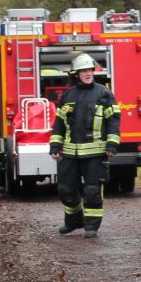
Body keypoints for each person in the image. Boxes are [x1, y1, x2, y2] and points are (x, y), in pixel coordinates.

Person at [50, 53, 121, 238]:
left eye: (90, 70)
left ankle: (91, 225)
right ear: (77, 74)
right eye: (84, 71)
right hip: (70, 153)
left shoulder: (104, 93)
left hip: (95, 152)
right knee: (65, 189)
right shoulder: (68, 95)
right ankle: (74, 220)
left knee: (92, 190)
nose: (88, 73)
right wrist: (55, 145)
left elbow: (113, 120)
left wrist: (112, 143)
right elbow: (59, 123)